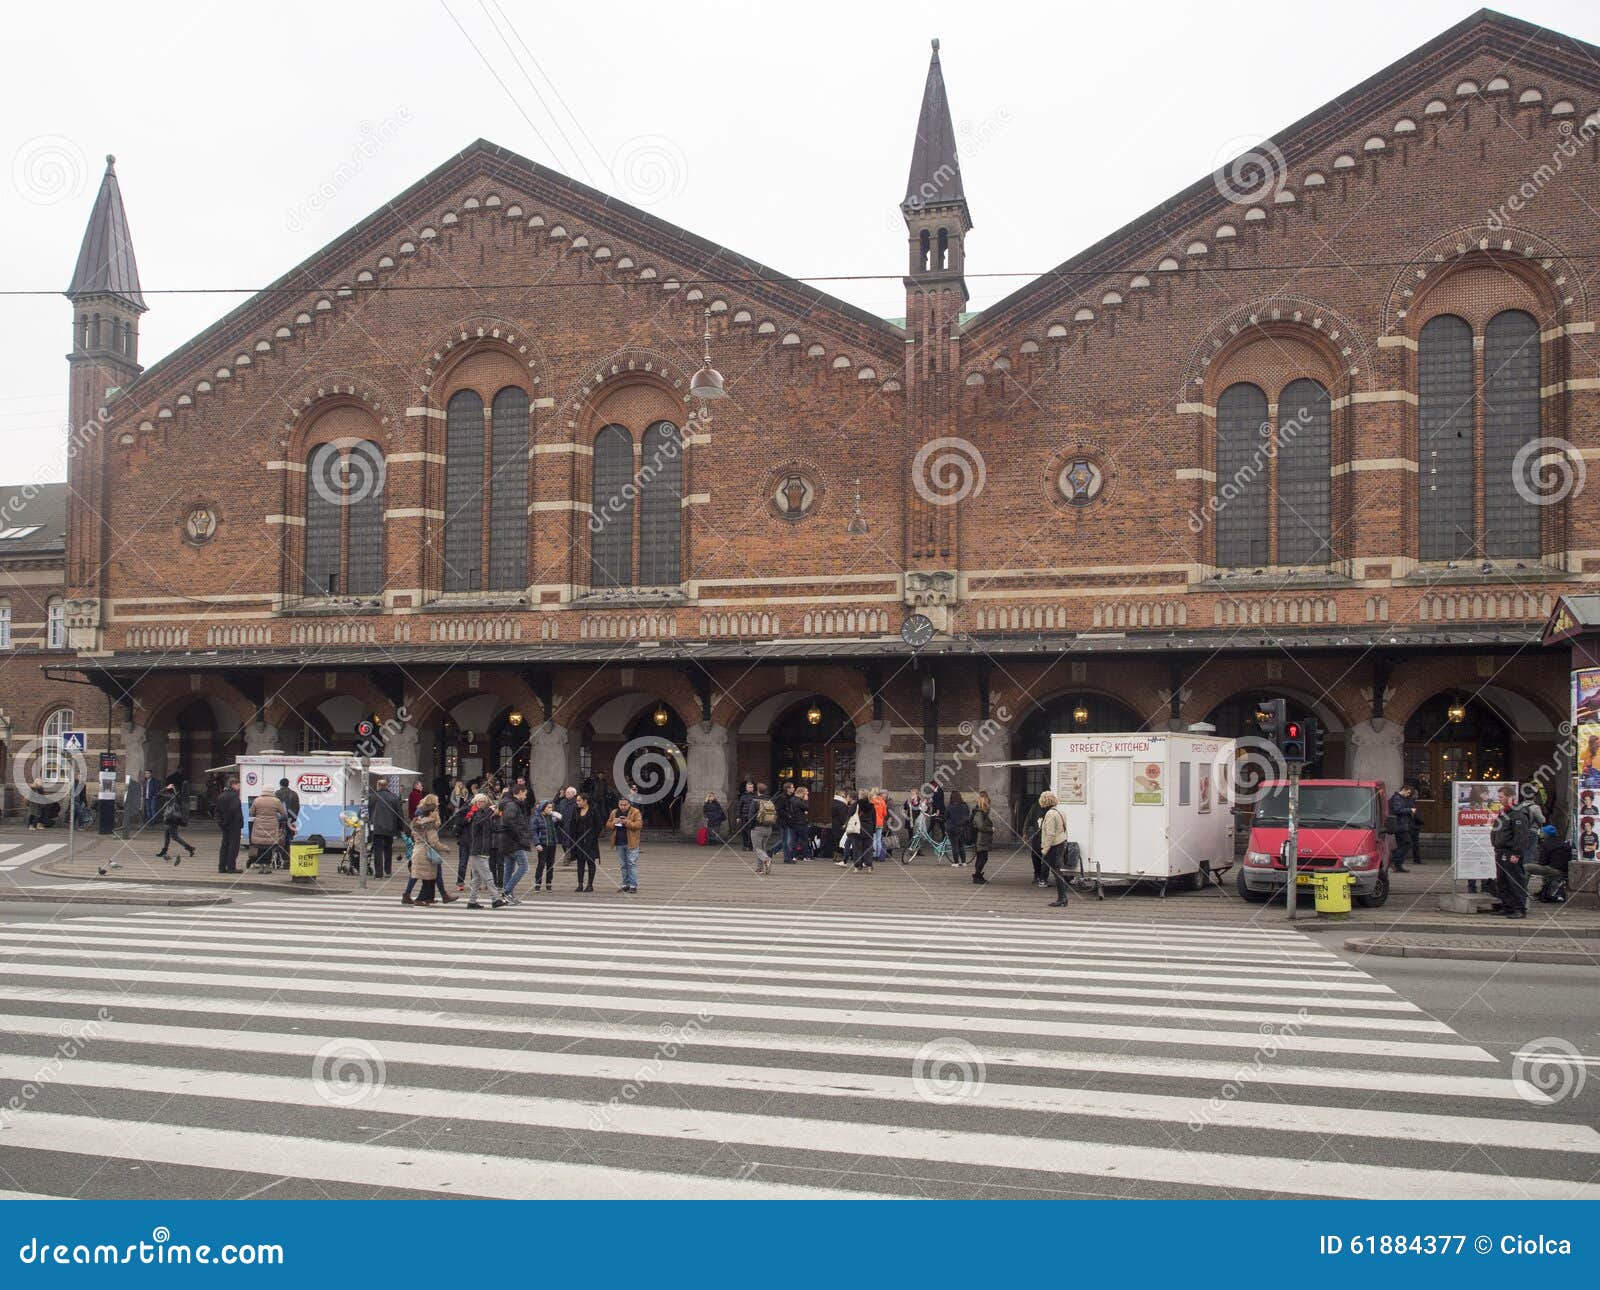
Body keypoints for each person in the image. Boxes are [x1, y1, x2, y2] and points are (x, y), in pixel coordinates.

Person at [403, 794, 456, 906]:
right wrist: (445, 848)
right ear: (431, 812)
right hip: (426, 853)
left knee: (424, 876)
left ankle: (427, 897)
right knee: (428, 877)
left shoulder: (418, 822)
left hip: (419, 850)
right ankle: (421, 898)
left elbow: (415, 834)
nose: (437, 811)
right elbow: (434, 842)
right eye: (436, 810)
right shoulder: (429, 825)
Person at [462, 793, 507, 909]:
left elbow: (493, 828)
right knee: (488, 876)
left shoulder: (485, 815)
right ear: (475, 803)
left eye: (483, 801)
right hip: (478, 851)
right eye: (478, 802)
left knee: (477, 879)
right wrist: (490, 812)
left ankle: (472, 902)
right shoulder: (476, 815)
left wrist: (507, 828)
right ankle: (495, 899)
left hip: (483, 851)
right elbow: (479, 822)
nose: (481, 803)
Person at [496, 784, 534, 903]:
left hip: (507, 841)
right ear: (520, 792)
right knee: (524, 867)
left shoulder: (509, 804)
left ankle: (508, 895)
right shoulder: (512, 805)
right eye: (525, 793)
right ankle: (507, 891)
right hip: (513, 842)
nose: (526, 796)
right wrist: (519, 837)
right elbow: (509, 823)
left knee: (509, 868)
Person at [366, 776, 406, 879]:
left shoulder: (372, 797)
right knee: (388, 849)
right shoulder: (394, 797)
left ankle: (378, 873)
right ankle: (388, 871)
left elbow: (366, 812)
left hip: (376, 828)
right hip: (390, 828)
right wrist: (401, 828)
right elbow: (399, 814)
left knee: (378, 850)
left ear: (378, 786)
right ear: (386, 786)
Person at [1037, 790, 1072, 908]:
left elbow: (1050, 834)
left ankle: (1062, 898)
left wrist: (1045, 849)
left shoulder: (1050, 814)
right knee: (1058, 871)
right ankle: (1062, 898)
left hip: (1054, 845)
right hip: (1061, 842)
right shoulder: (1060, 811)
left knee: (1056, 872)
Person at [607, 794, 644, 892]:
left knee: (631, 863)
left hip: (631, 842)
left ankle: (633, 885)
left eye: (625, 805)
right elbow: (608, 825)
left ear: (629, 804)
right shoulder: (614, 812)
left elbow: (639, 825)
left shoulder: (635, 812)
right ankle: (625, 884)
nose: (622, 807)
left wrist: (626, 822)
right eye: (621, 804)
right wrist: (614, 822)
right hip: (619, 842)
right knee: (623, 865)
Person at [1528, 823, 1571, 904]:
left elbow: (1542, 862)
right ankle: (1545, 889)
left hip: (1554, 870)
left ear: (1546, 834)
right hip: (1565, 871)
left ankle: (1522, 890)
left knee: (1527, 867)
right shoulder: (1562, 842)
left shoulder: (1546, 844)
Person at [155, 778, 196, 861]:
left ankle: (190, 848)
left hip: (172, 818)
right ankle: (164, 851)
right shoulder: (178, 796)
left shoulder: (171, 796)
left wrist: (166, 787)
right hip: (174, 818)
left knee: (174, 836)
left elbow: (158, 794)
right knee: (167, 834)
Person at [247, 786, 287, 869]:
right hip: (272, 825)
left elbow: (251, 813)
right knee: (269, 847)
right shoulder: (276, 801)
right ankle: (268, 867)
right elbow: (283, 813)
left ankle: (261, 867)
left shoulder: (257, 800)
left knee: (260, 847)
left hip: (259, 825)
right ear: (272, 792)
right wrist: (276, 816)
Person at [570, 791, 601, 892]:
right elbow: (572, 824)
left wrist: (593, 835)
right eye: (577, 801)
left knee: (591, 862)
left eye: (579, 800)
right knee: (580, 863)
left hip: (590, 841)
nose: (577, 802)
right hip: (579, 840)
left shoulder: (593, 810)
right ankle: (580, 884)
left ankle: (590, 885)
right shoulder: (576, 811)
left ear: (585, 801)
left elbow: (599, 825)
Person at [1387, 782, 1418, 872]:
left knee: (1402, 844)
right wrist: (1410, 810)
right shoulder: (1397, 798)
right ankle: (1394, 859)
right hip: (1400, 825)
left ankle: (1398, 865)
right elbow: (1397, 810)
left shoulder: (1399, 798)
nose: (1408, 795)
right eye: (1408, 792)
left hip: (1401, 825)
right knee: (1408, 843)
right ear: (1403, 789)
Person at [215, 776, 244, 874]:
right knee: (233, 846)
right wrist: (229, 821)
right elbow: (233, 810)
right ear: (233, 784)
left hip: (224, 825)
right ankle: (231, 867)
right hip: (233, 825)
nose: (239, 787)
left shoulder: (221, 795)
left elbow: (217, 811)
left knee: (224, 845)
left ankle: (221, 867)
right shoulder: (234, 796)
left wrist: (222, 823)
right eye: (238, 785)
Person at [534, 795, 559, 891]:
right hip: (543, 844)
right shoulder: (537, 818)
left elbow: (560, 825)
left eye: (551, 807)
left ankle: (549, 883)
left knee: (550, 864)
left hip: (552, 844)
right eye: (548, 807)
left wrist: (559, 818)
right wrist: (537, 843)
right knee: (541, 864)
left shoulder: (552, 818)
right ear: (543, 808)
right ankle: (538, 883)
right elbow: (534, 831)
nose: (550, 809)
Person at [750, 783, 777, 875]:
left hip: (758, 828)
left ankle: (766, 859)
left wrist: (750, 826)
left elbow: (751, 815)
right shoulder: (770, 800)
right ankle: (760, 869)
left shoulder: (754, 801)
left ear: (757, 790)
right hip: (768, 827)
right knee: (762, 849)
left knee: (757, 848)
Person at [1023, 794, 1047, 888]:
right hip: (1037, 835)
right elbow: (1028, 819)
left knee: (1046, 857)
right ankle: (1037, 874)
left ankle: (1043, 877)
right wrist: (1025, 832)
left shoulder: (1052, 808)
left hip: (1047, 835)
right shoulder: (1035, 807)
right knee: (1035, 855)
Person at [971, 790, 994, 885]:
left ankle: (978, 875)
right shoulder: (979, 813)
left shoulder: (982, 813)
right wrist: (991, 829)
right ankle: (977, 876)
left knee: (982, 858)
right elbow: (980, 827)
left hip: (983, 840)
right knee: (982, 858)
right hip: (980, 840)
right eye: (988, 803)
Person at [945, 790, 971, 868]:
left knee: (954, 845)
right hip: (962, 828)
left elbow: (946, 817)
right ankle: (964, 862)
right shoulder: (965, 805)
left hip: (952, 828)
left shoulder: (950, 806)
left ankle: (956, 862)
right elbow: (968, 815)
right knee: (961, 845)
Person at [557, 785, 580, 867]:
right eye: (566, 792)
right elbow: (558, 810)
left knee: (569, 843)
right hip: (562, 825)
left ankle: (567, 859)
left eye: (569, 792)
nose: (566, 793)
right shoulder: (562, 802)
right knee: (563, 843)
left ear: (574, 794)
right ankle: (571, 856)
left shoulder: (577, 803)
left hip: (571, 826)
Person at [736, 780, 758, 850]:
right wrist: (738, 816)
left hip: (753, 816)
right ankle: (745, 845)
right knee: (744, 831)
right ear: (746, 788)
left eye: (751, 787)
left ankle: (751, 846)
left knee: (751, 831)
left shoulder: (756, 796)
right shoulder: (743, 796)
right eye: (749, 787)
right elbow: (739, 807)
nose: (750, 788)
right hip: (744, 816)